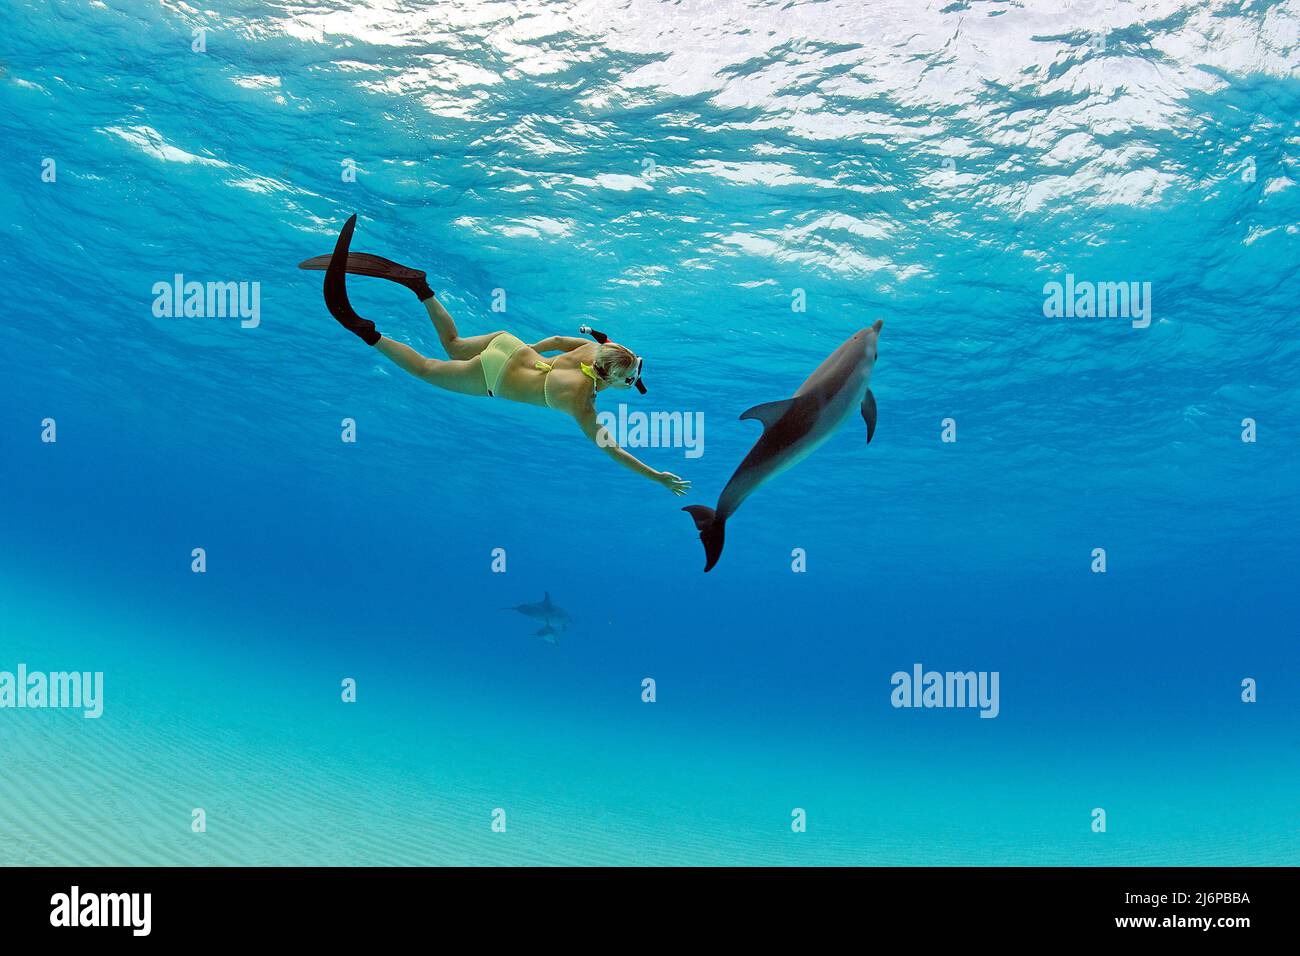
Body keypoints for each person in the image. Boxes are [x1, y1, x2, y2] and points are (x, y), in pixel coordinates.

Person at [300, 215, 691, 496]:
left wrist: (526, 354)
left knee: (451, 344)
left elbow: (556, 338)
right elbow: (612, 449)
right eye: (631, 379)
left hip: (509, 345)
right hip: (493, 379)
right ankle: (365, 331)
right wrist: (657, 477)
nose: (631, 384)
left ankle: (421, 288)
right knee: (424, 368)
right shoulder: (582, 399)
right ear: (611, 377)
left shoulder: (592, 348)